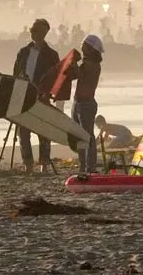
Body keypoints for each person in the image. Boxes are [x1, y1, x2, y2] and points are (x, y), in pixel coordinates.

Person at [13, 19, 60, 174]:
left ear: (44, 33)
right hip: (23, 95)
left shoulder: (51, 55)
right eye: (32, 29)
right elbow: (15, 73)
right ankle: (28, 164)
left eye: (36, 30)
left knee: (44, 131)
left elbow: (57, 78)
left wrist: (53, 96)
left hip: (42, 97)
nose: (32, 32)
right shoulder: (23, 52)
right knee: (23, 131)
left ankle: (44, 164)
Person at [66, 35, 104, 174]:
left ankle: (90, 166)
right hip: (78, 102)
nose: (82, 47)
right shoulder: (88, 63)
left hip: (86, 104)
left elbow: (79, 75)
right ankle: (83, 166)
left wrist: (73, 64)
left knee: (87, 136)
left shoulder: (92, 65)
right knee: (79, 136)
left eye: (84, 45)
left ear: (90, 48)